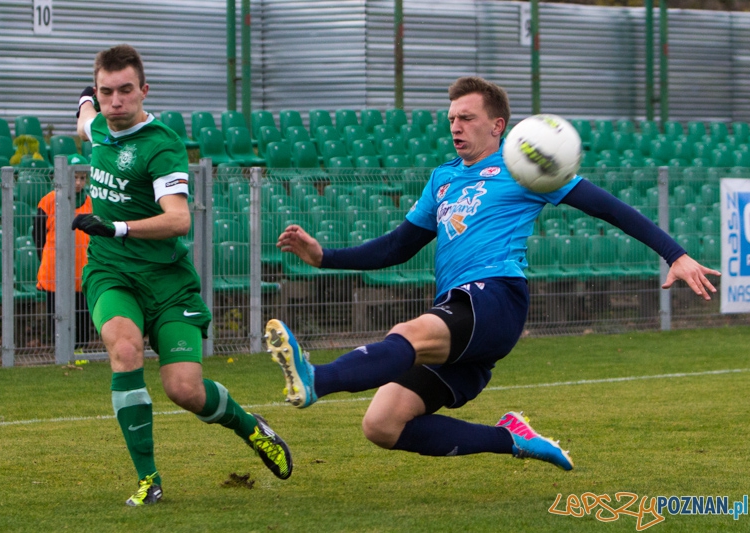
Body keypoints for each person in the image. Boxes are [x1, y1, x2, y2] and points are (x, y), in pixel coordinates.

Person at [265, 76, 720, 471]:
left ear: (497, 125)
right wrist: (324, 257)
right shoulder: (443, 178)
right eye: (451, 119)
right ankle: (514, 440)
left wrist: (674, 254)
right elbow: (397, 247)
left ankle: (316, 378)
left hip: (495, 296)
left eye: (466, 117)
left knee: (408, 332)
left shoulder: (527, 168)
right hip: (460, 309)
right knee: (382, 425)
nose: (455, 127)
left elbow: (611, 209)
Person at [73, 44, 292, 506]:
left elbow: (179, 220)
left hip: (169, 284)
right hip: (112, 273)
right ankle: (148, 479)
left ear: (144, 91)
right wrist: (82, 102)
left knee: (184, 389)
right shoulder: (98, 125)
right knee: (125, 348)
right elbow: (85, 122)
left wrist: (116, 226)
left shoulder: (163, 145)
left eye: (126, 91)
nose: (116, 101)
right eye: (106, 92)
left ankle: (251, 427)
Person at [34, 153, 92, 352]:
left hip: (82, 269)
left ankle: (79, 350)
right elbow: (38, 236)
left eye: (82, 178)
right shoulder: (48, 201)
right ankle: (61, 350)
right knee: (56, 312)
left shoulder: (90, 203)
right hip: (54, 269)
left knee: (83, 312)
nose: (78, 182)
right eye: (74, 177)